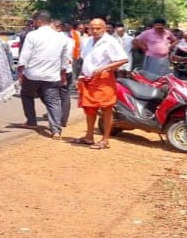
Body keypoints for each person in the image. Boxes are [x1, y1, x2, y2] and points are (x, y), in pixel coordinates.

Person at [71, 18, 128, 149]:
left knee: (106, 108)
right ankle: (89, 137)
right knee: (89, 109)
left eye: (98, 28)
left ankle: (105, 140)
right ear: (88, 28)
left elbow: (123, 59)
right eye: (92, 28)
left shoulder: (110, 41)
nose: (95, 31)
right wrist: (80, 76)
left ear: (104, 28)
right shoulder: (88, 41)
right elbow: (84, 60)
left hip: (104, 79)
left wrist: (104, 68)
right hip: (88, 79)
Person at [17, 10, 69, 139]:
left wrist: (20, 71)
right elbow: (65, 57)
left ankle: (31, 121)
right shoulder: (61, 37)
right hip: (52, 75)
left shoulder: (33, 35)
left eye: (34, 21)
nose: (34, 23)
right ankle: (56, 130)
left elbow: (25, 55)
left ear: (39, 21)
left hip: (32, 74)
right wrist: (63, 72)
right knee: (53, 102)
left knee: (26, 95)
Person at [52, 19, 74, 127]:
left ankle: (59, 118)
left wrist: (62, 72)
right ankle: (63, 119)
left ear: (58, 28)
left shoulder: (56, 39)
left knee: (54, 95)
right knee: (65, 95)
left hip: (60, 71)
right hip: (68, 69)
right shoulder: (69, 40)